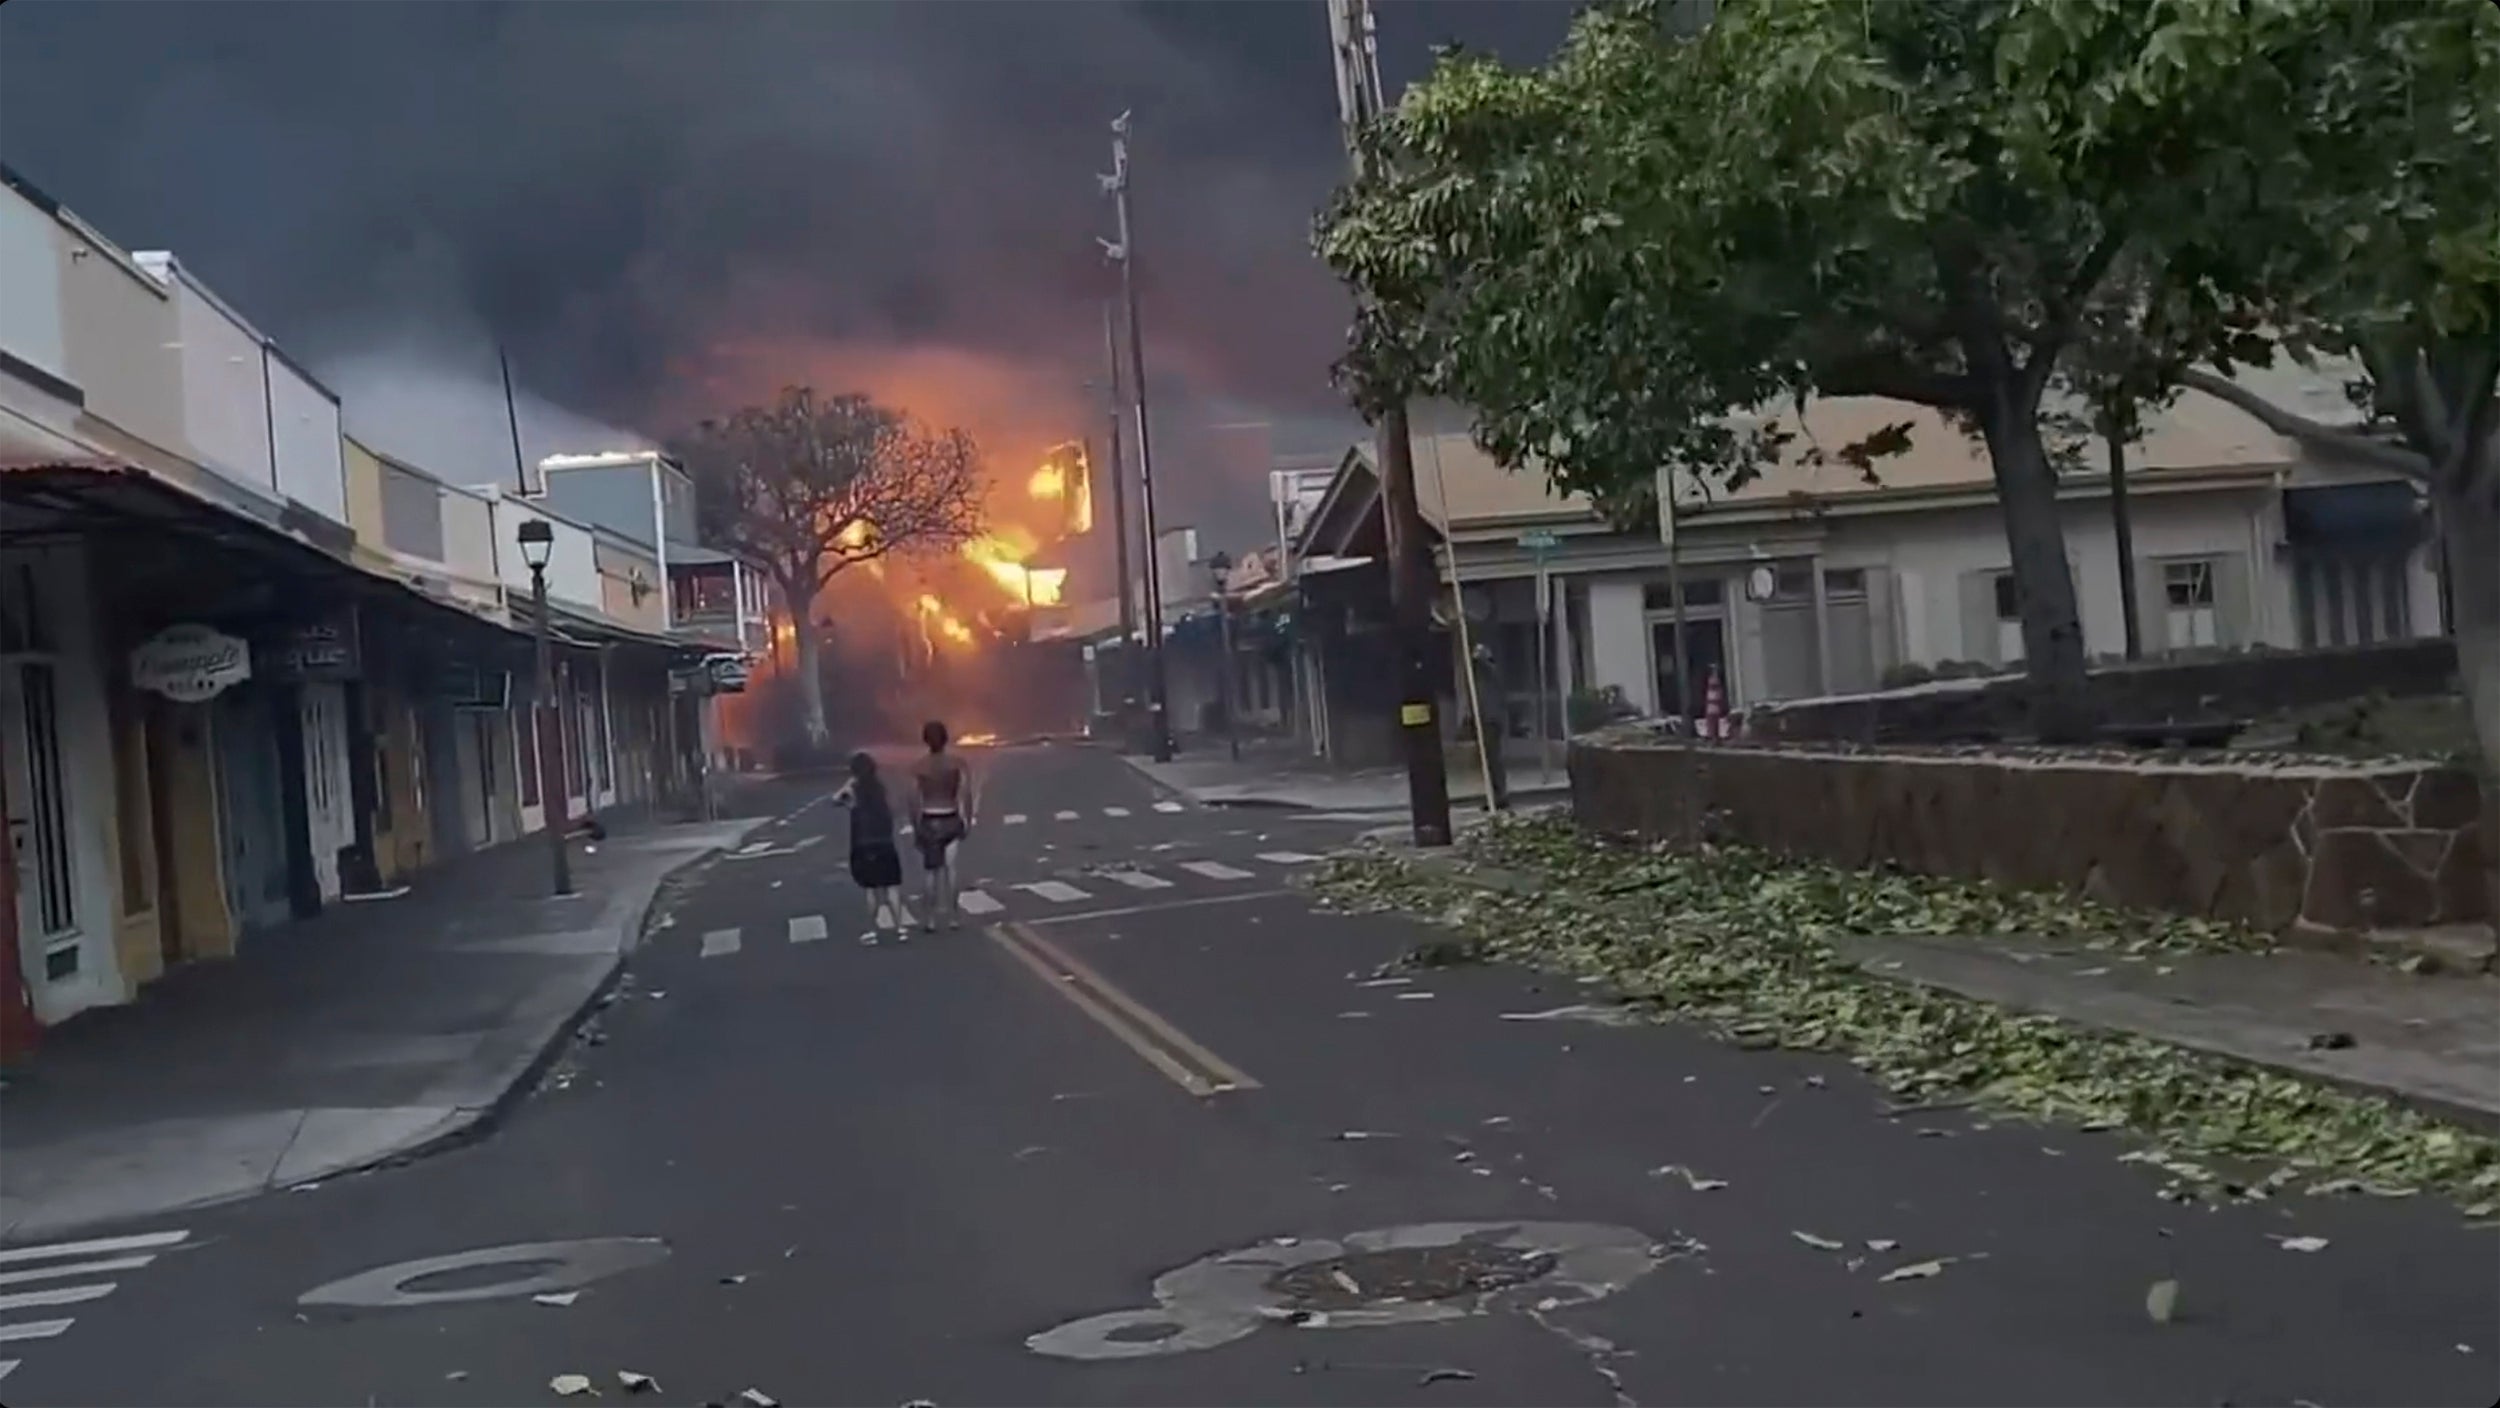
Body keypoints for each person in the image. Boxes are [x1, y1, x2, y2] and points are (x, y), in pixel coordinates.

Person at [833, 751, 908, 942]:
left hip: (863, 843)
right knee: (892, 886)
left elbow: (835, 800)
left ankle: (873, 931)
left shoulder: (854, 790)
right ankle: (900, 928)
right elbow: (894, 810)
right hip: (884, 840)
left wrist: (849, 783)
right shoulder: (880, 788)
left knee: (871, 889)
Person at [910, 719, 976, 930]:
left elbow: (913, 799)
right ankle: (954, 917)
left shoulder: (919, 766)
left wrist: (916, 825)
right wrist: (968, 818)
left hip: (929, 818)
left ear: (926, 740)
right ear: (946, 739)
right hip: (950, 816)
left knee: (931, 872)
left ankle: (930, 920)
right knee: (951, 870)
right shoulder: (957, 763)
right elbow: (966, 793)